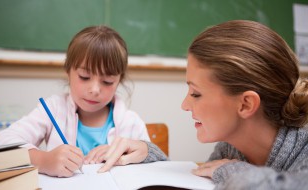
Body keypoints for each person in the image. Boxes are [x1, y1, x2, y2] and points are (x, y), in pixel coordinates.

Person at [96, 20, 308, 189]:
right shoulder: (231, 148)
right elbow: (199, 177)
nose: (185, 105)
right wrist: (148, 154)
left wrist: (233, 172)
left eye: (196, 93)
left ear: (245, 104)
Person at [0, 25, 151, 177]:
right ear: (68, 71)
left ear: (119, 81)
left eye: (107, 81)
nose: (95, 89)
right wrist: (43, 161)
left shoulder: (131, 122)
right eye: (84, 77)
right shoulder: (53, 109)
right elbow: (0, 143)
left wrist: (144, 151)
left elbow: (157, 166)